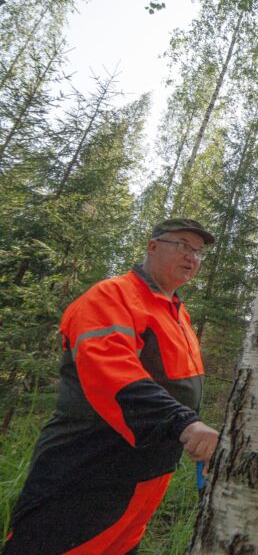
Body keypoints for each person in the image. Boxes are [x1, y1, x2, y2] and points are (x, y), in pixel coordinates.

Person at [3, 219, 220, 554]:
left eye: (198, 251)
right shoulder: (112, 296)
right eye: (181, 244)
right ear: (152, 246)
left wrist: (196, 437)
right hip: (88, 467)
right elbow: (112, 373)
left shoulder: (177, 312)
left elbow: (179, 388)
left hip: (145, 475)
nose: (191, 256)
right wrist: (185, 424)